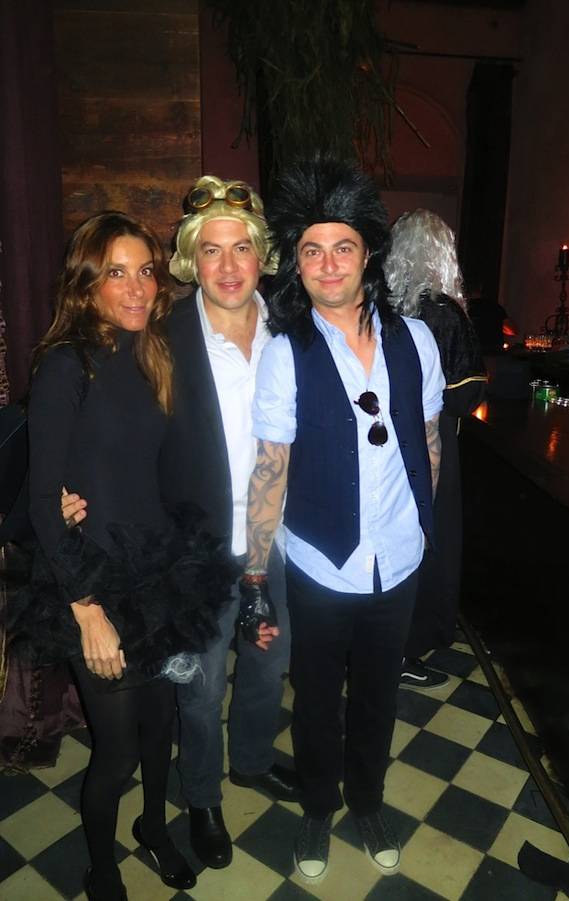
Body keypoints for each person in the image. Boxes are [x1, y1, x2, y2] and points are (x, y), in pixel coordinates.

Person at [63, 177, 298, 872]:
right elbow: (106, 422)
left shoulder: (291, 330)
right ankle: (202, 798)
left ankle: (251, 761)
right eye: (212, 250)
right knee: (200, 690)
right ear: (192, 259)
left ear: (262, 256)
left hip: (276, 542)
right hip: (195, 551)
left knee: (268, 664)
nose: (228, 266)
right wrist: (64, 491)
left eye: (242, 249)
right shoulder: (160, 337)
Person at [11, 212, 232, 900]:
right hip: (93, 581)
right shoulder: (65, 365)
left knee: (161, 725)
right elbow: (42, 497)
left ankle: (154, 828)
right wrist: (86, 610)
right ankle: (100, 864)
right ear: (87, 285)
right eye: (117, 272)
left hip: (157, 574)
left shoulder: (153, 352)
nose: (137, 288)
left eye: (146, 272)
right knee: (118, 749)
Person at [240, 158, 446, 882]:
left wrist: (422, 527)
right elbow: (270, 468)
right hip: (321, 561)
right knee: (318, 698)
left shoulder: (416, 340)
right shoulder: (284, 354)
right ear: (296, 263)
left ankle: (368, 800)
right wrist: (256, 573)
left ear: (367, 254)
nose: (328, 265)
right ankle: (317, 808)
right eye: (312, 250)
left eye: (343, 247)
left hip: (399, 558)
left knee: (380, 695)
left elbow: (428, 442)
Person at [385, 209, 487, 689]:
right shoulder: (444, 312)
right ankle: (407, 648)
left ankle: (381, 643)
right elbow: (467, 395)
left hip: (384, 441)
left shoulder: (380, 305)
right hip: (433, 442)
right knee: (430, 541)